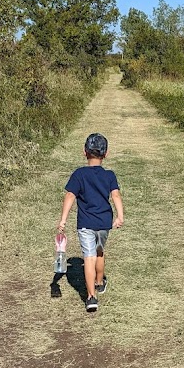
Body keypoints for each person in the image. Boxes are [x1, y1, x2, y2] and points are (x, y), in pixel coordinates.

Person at [57, 132, 124, 313]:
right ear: (106, 153)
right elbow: (115, 195)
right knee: (99, 251)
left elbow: (70, 195)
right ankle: (100, 282)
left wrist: (63, 220)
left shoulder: (79, 175)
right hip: (104, 222)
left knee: (89, 256)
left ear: (84, 152)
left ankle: (91, 297)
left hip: (85, 223)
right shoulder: (109, 175)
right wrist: (120, 216)